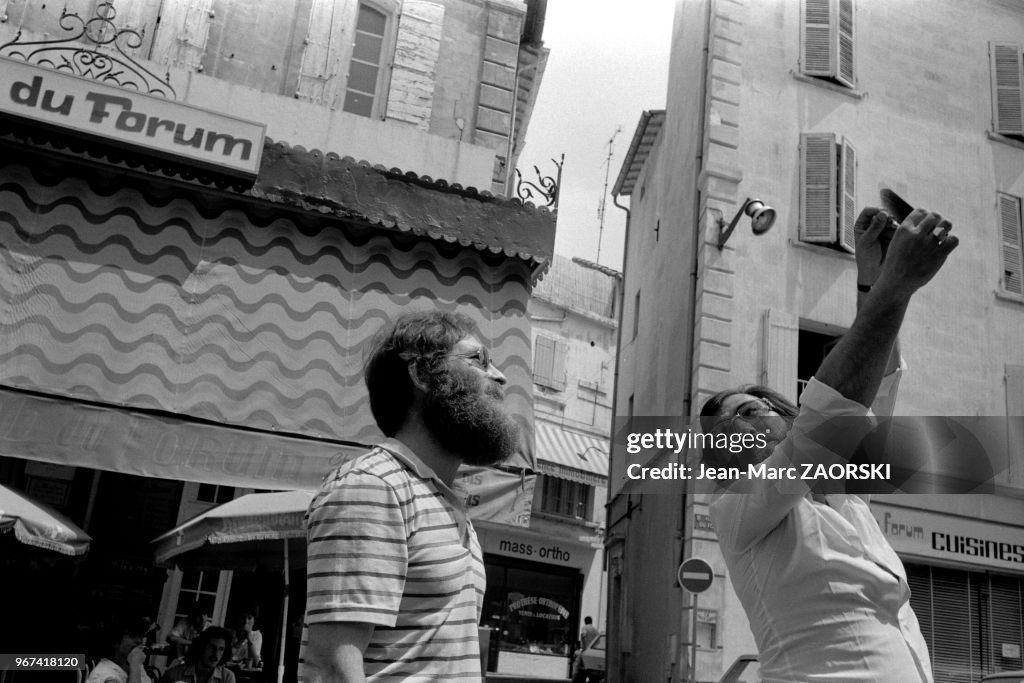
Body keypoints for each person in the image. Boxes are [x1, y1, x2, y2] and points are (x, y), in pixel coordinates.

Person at [700, 206, 958, 682]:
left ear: (783, 417)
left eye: (749, 411)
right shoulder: (735, 507)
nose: (733, 428)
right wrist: (897, 284)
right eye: (719, 430)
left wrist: (872, 279)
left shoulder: (843, 491)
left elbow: (868, 394)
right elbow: (831, 418)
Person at [300, 310, 521, 682]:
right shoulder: (374, 488)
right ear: (420, 373)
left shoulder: (442, 500)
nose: (500, 376)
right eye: (478, 360)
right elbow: (330, 670)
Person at [87, 616, 153, 683]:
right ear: (115, 641)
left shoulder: (133, 662)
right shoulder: (105, 675)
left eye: (141, 636)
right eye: (133, 635)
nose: (139, 641)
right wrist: (135, 666)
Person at [160, 626, 236, 683]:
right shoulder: (174, 675)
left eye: (221, 649)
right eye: (212, 647)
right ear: (201, 647)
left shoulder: (227, 677)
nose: (216, 653)